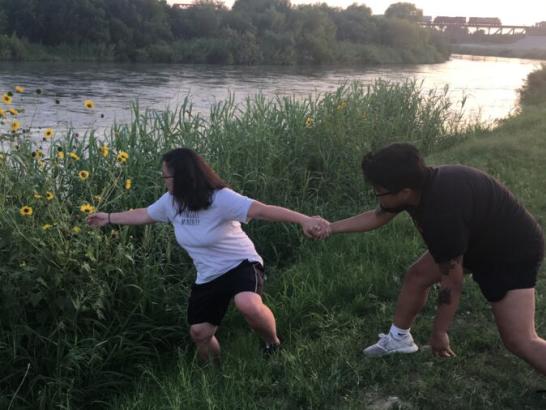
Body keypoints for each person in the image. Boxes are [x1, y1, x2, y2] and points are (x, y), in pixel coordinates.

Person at [314, 142, 545, 374]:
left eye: (378, 190)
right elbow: (378, 215)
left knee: (520, 340)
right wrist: (331, 228)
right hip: (477, 238)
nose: (376, 195)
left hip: (510, 252)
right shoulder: (418, 184)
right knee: (417, 275)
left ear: (403, 192)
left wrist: (439, 332)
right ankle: (399, 339)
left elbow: (452, 283)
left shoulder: (441, 214)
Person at [87, 148, 326, 362]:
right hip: (209, 275)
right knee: (199, 333)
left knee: (248, 304)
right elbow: (144, 215)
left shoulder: (220, 197)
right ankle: (214, 373)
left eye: (166, 176)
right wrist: (107, 217)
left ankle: (272, 344)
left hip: (240, 262)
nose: (163, 181)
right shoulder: (171, 202)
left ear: (182, 177)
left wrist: (304, 220)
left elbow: (261, 210)